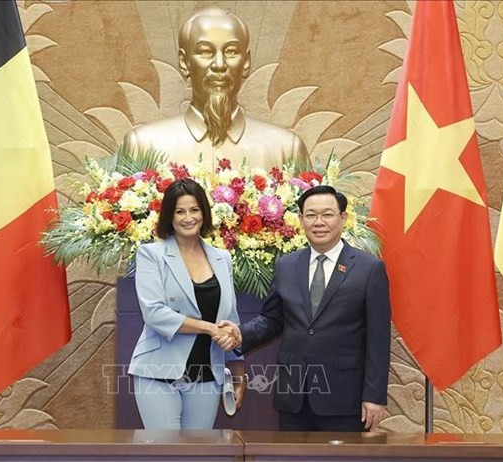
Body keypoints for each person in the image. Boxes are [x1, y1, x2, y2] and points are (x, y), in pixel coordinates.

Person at [221, 185, 391, 432]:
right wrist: (241, 334)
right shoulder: (287, 265)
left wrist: (374, 396)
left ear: (343, 218)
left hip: (345, 397)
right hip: (294, 396)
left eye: (327, 214)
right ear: (301, 219)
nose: (319, 222)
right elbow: (272, 319)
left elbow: (378, 338)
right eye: (311, 215)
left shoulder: (368, 268)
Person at [121, 7, 309, 171]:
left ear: (246, 62)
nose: (219, 64)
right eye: (205, 52)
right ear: (184, 63)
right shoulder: (143, 146)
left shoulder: (286, 149)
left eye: (231, 51)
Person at [128, 178, 245, 430]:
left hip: (208, 372)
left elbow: (230, 318)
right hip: (158, 371)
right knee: (166, 452)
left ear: (204, 213)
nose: (188, 217)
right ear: (169, 216)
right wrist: (209, 328)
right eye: (179, 211)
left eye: (194, 210)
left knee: (199, 453)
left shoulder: (222, 258)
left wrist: (237, 370)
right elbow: (155, 314)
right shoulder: (151, 254)